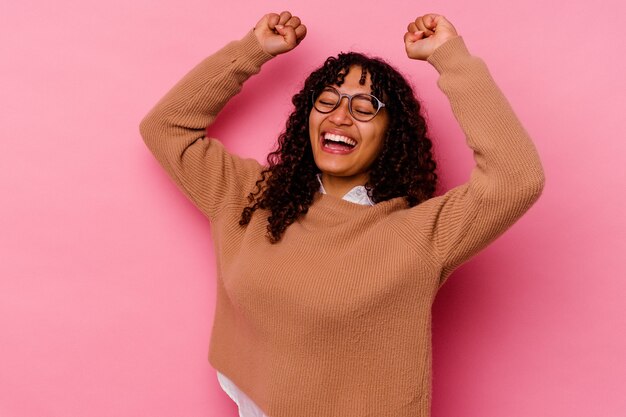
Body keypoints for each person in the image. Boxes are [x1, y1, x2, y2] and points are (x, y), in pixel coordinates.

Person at [139, 11, 545, 417]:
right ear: (308, 118)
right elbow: (167, 126)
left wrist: (449, 58)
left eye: (365, 106)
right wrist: (252, 51)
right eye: (327, 100)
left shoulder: (422, 234)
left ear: (392, 132)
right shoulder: (250, 195)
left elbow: (517, 178)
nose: (340, 116)